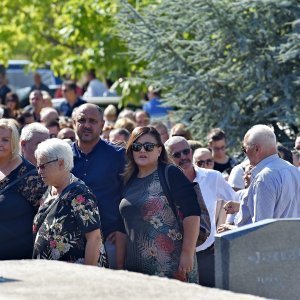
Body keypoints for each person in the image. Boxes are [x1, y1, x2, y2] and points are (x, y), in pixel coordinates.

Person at [119, 126, 200, 282]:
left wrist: (187, 253)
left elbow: (192, 214)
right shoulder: (128, 180)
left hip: (173, 268)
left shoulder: (171, 173)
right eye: (137, 146)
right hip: (136, 270)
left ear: (159, 150)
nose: (142, 150)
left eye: (148, 146)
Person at [164, 136, 237, 287]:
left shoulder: (212, 177)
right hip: (174, 256)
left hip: (206, 254)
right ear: (168, 158)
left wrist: (230, 227)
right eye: (177, 155)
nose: (183, 157)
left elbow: (237, 203)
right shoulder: (163, 182)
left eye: (186, 152)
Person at [33, 138, 105, 265]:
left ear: (61, 163)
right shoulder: (50, 190)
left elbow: (94, 238)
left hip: (73, 277)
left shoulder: (80, 194)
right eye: (38, 166)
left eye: (43, 166)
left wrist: (89, 277)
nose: (39, 171)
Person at [71, 103, 125, 268]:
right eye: (82, 120)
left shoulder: (118, 156)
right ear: (73, 123)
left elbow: (130, 194)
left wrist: (122, 230)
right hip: (69, 242)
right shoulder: (63, 156)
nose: (87, 125)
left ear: (102, 125)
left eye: (93, 121)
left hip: (109, 240)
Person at [219, 125, 300, 232]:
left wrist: (231, 229)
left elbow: (261, 229)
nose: (245, 153)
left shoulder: (264, 177)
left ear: (256, 149)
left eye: (244, 148)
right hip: (290, 243)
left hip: (271, 246)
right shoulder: (292, 170)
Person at [0, 119, 47, 259]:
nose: (0, 144)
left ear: (14, 142)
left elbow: (42, 217)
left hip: (18, 258)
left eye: (5, 140)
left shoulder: (30, 175)